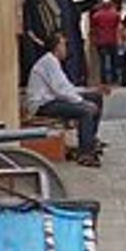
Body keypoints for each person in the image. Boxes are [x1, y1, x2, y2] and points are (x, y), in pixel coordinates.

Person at [27, 32, 103, 166]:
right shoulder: (49, 62)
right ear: (57, 47)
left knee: (96, 97)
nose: (66, 48)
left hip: (52, 99)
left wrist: (85, 93)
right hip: (43, 105)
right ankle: (85, 153)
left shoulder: (53, 61)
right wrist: (82, 102)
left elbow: (66, 87)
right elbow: (61, 90)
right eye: (63, 45)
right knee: (86, 111)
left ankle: (90, 139)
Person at [90, 0, 123, 87]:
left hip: (101, 41)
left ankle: (104, 80)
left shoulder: (96, 16)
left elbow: (93, 29)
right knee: (113, 61)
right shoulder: (115, 15)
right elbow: (118, 28)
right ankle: (114, 79)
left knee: (103, 61)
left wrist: (93, 40)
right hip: (112, 40)